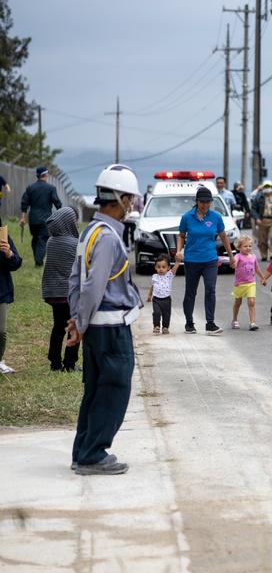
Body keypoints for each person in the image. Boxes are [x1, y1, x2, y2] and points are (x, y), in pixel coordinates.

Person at [65, 164, 144, 475]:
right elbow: (94, 285)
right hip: (111, 329)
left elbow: (75, 281)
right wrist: (79, 324)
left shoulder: (90, 231)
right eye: (131, 199)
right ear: (121, 199)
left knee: (96, 389)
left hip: (96, 328)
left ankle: (83, 450)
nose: (133, 206)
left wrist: (77, 319)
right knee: (113, 389)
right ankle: (93, 455)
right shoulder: (109, 237)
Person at [175, 185, 236, 335]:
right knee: (190, 292)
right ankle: (189, 323)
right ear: (196, 201)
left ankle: (210, 324)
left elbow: (223, 237)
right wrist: (178, 251)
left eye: (208, 202)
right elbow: (181, 236)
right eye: (202, 202)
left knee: (210, 290)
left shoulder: (216, 217)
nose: (205, 205)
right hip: (192, 260)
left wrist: (231, 256)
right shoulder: (187, 217)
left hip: (210, 259)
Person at [41, 207, 81, 371]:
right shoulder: (75, 243)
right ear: (69, 223)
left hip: (54, 293)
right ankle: (70, 364)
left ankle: (55, 363)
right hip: (71, 293)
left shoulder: (51, 242)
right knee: (75, 327)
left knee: (58, 327)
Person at [19, 166, 62, 266]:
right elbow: (57, 203)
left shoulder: (30, 188)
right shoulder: (51, 188)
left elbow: (24, 203)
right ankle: (38, 261)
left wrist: (22, 217)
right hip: (46, 219)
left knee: (35, 238)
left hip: (33, 219)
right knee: (43, 239)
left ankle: (37, 257)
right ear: (46, 175)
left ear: (37, 176)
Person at [230, 234, 267, 331]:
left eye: (250, 246)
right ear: (239, 247)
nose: (248, 248)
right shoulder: (238, 256)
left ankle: (252, 323)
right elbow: (235, 262)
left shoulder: (253, 256)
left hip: (251, 283)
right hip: (239, 284)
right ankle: (234, 319)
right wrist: (233, 264)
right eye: (245, 246)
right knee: (238, 302)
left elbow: (257, 268)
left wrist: (263, 277)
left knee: (251, 302)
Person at [0, 225, 23, 374]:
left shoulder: (3, 237)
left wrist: (9, 253)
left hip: (1, 291)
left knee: (1, 331)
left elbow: (16, 263)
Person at [146, 253, 179, 334]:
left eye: (163, 267)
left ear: (168, 267)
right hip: (156, 299)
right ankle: (156, 326)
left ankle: (165, 327)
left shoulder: (169, 275)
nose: (161, 269)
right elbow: (153, 286)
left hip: (166, 299)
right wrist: (149, 295)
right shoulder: (155, 276)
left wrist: (178, 262)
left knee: (166, 314)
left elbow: (174, 269)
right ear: (155, 267)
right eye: (159, 267)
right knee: (156, 313)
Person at [251, 179, 272, 260]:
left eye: (269, 187)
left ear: (271, 187)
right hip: (262, 220)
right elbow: (253, 209)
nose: (267, 188)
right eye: (266, 187)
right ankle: (263, 255)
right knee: (262, 239)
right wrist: (257, 218)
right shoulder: (259, 197)